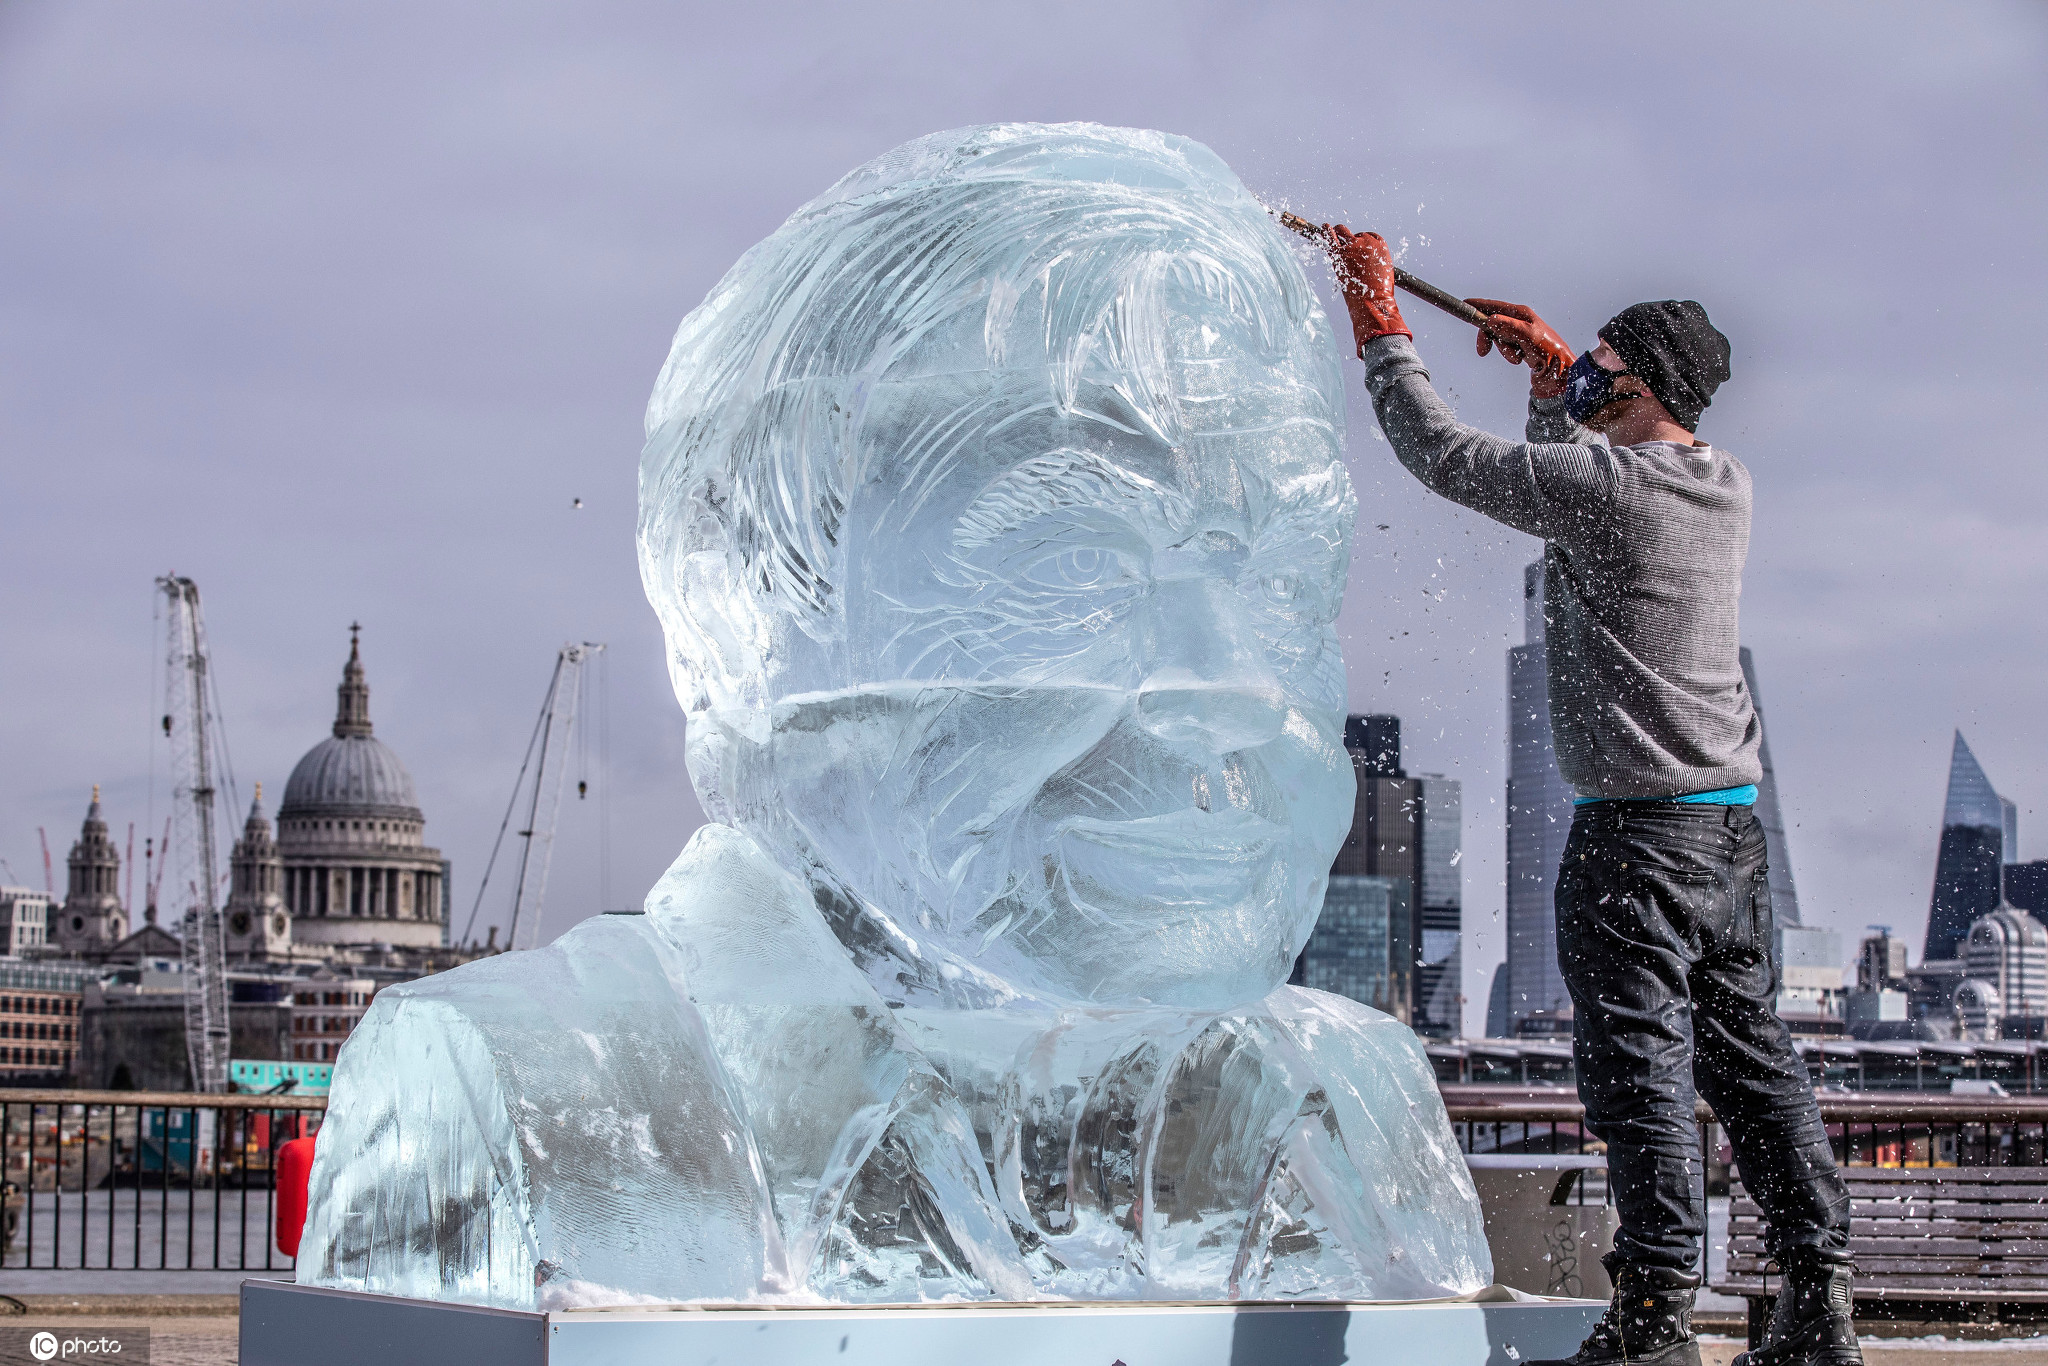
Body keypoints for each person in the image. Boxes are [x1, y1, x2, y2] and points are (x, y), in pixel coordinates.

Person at [1322, 225, 1860, 1366]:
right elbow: (1564, 490)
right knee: (1749, 1061)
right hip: (1724, 839)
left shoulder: (1613, 484)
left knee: (1638, 1077)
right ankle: (1818, 1300)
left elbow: (1442, 457)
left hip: (1636, 844)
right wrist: (1553, 373)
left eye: (1600, 366)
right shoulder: (1718, 483)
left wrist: (1379, 320)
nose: (1584, 378)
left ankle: (1655, 1323)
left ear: (1640, 384)